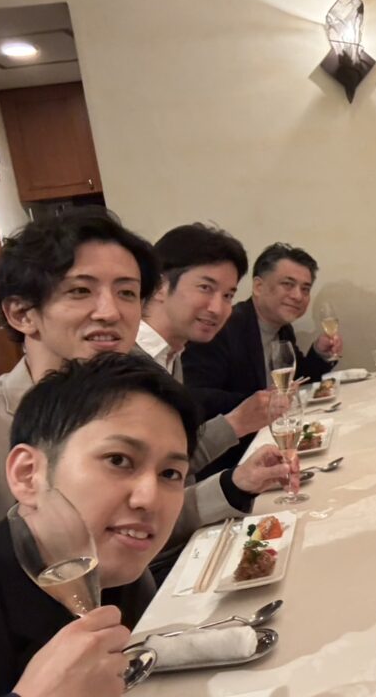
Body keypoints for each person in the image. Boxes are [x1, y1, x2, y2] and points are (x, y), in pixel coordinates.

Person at [0, 209, 287, 545]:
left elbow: (144, 519)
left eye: (126, 293)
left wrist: (235, 485)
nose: (111, 312)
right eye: (80, 291)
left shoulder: (131, 397)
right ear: (21, 313)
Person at [0, 353, 201, 696]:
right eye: (118, 460)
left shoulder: (124, 586)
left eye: (170, 473)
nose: (149, 498)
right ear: (28, 474)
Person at [140, 224, 293, 572]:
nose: (218, 307)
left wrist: (237, 480)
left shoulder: (170, 357)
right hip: (152, 567)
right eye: (206, 288)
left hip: (179, 542)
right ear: (160, 285)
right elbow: (138, 500)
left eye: (227, 295)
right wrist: (231, 475)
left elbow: (170, 464)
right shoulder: (127, 366)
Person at [183, 242, 340, 420]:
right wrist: (263, 401)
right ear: (258, 287)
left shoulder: (283, 328)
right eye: (288, 284)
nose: (298, 296)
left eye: (305, 289)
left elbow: (296, 382)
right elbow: (198, 397)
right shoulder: (222, 327)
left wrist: (319, 353)